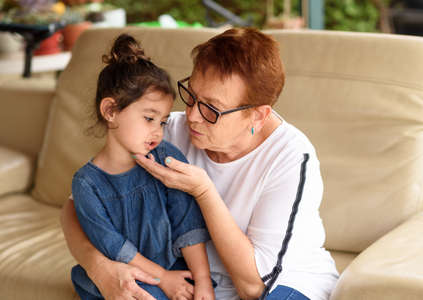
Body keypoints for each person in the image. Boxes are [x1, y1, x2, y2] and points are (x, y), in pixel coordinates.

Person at [61, 28, 339, 300]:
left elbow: (253, 288)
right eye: (191, 95)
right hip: (193, 281)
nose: (192, 116)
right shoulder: (164, 133)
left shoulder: (289, 157)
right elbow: (75, 208)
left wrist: (204, 192)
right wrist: (101, 269)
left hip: (284, 282)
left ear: (257, 115)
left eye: (211, 108)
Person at [68, 33, 214, 300]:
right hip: (129, 274)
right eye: (149, 118)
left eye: (162, 122)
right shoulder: (86, 184)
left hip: (175, 268)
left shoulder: (166, 157)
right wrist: (162, 279)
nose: (157, 132)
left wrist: (203, 282)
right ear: (110, 110)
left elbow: (187, 223)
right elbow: (113, 247)